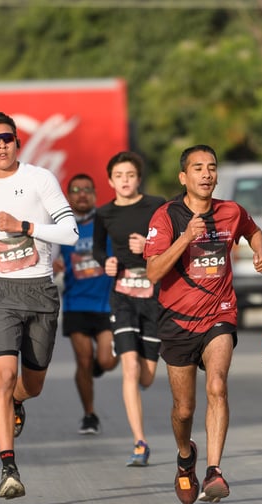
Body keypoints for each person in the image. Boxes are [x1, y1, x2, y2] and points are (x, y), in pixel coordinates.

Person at [0, 111, 79, 500]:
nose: (1, 145)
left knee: (32, 385)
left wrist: (25, 227)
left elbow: (71, 232)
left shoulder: (39, 179)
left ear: (17, 142)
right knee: (3, 375)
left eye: (7, 138)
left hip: (41, 290)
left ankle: (17, 402)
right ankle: (8, 467)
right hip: (0, 293)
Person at [143, 144, 262, 504]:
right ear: (184, 177)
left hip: (220, 313)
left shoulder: (231, 211)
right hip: (177, 321)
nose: (206, 174)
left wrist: (260, 252)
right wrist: (185, 237)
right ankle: (186, 457)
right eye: (197, 168)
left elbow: (253, 230)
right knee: (184, 410)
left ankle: (215, 470)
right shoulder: (166, 217)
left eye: (211, 167)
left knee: (217, 386)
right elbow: (153, 271)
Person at [93, 151, 166, 466]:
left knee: (146, 376)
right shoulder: (104, 213)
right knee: (130, 368)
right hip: (122, 296)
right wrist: (105, 262)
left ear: (139, 179)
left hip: (154, 297)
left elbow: (173, 242)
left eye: (130, 175)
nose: (124, 180)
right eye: (118, 175)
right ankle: (140, 442)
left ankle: (138, 364)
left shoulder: (157, 206)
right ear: (110, 181)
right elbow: (98, 249)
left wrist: (148, 248)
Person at [54, 174, 119, 435]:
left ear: (94, 194)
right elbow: (50, 260)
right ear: (68, 196)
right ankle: (89, 414)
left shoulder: (107, 223)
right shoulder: (61, 228)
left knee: (106, 361)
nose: (82, 194)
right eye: (76, 190)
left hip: (106, 303)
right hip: (76, 304)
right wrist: (55, 266)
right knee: (82, 361)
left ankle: (97, 365)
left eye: (87, 190)